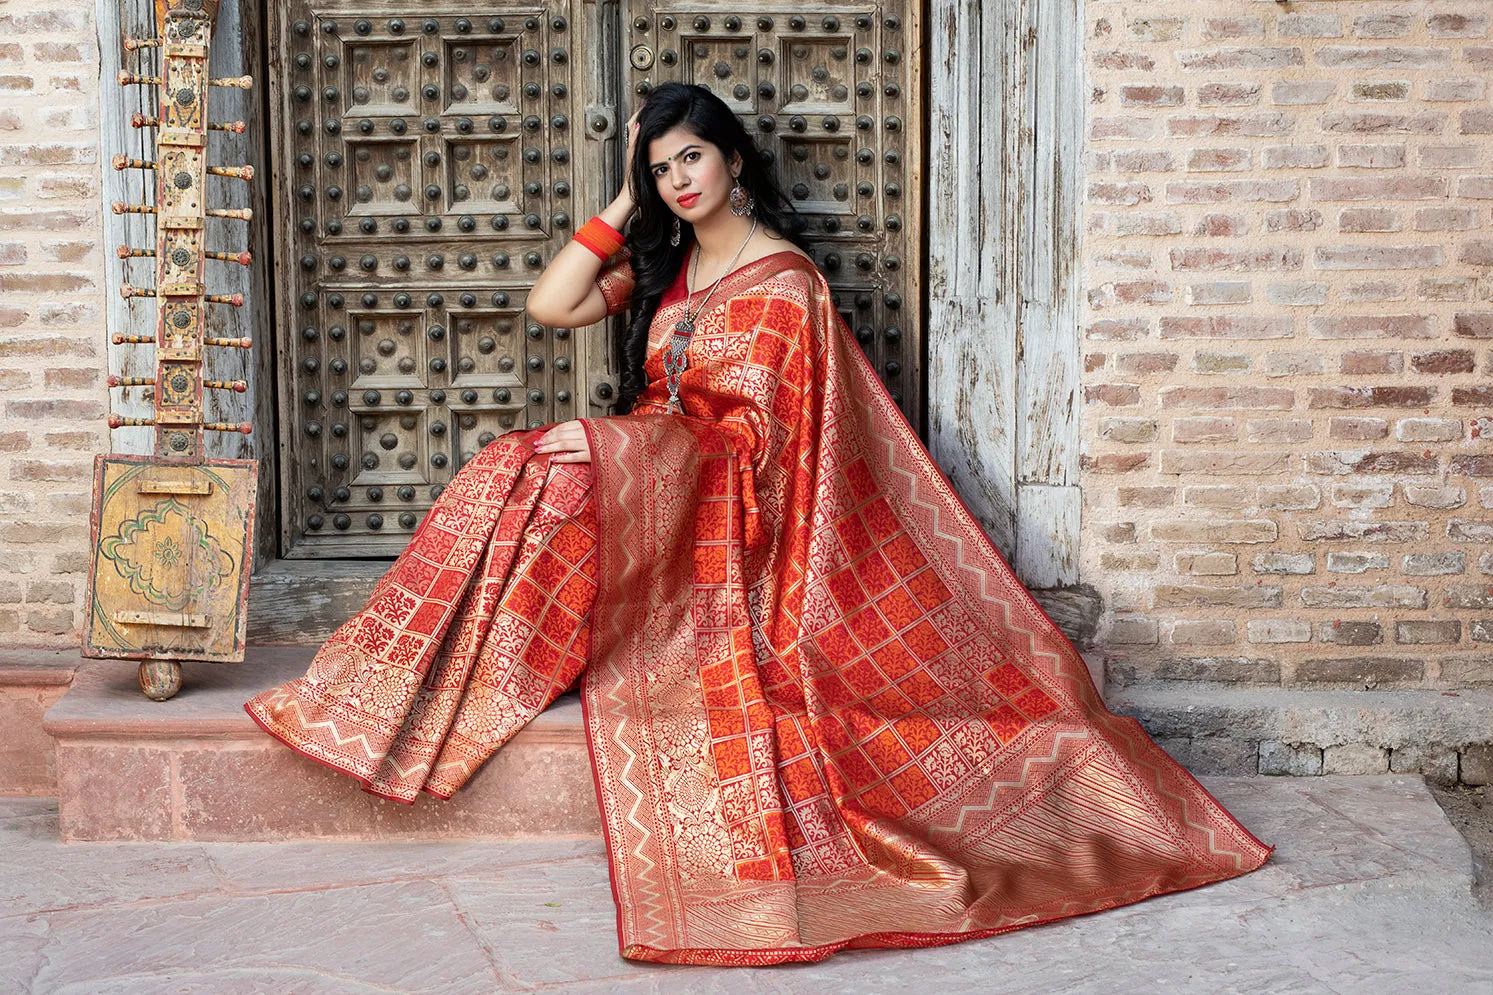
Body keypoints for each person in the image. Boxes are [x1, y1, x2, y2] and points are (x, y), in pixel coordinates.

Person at [245, 82, 1271, 966]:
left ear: (732, 160)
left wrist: (616, 451)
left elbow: (762, 456)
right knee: (510, 470)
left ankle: (506, 658)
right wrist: (618, 208)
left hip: (725, 522)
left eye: (690, 158)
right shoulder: (666, 269)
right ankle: (388, 696)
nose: (677, 180)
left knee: (550, 468)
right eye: (658, 169)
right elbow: (549, 304)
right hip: (650, 482)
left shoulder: (783, 284)